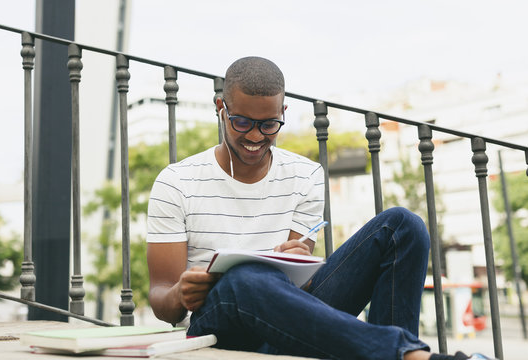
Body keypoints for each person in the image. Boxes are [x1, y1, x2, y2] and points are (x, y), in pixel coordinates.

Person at [146, 57, 495, 360]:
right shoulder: (176, 183)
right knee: (243, 279)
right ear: (220, 108)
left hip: (286, 321)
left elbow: (302, 293)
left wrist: (296, 263)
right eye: (242, 123)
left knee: (403, 226)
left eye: (268, 125)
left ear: (283, 113)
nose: (255, 136)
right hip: (218, 328)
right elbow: (162, 300)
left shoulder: (306, 175)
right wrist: (180, 292)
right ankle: (409, 355)